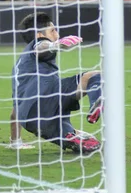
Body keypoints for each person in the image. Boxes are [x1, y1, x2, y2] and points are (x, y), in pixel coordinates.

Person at [9, 13, 102, 153]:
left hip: (31, 120)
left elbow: (16, 111)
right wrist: (54, 45)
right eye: (52, 30)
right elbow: (41, 46)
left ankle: (69, 136)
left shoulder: (21, 66)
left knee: (81, 138)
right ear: (39, 35)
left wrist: (15, 141)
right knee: (94, 77)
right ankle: (96, 103)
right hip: (47, 98)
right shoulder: (37, 44)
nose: (57, 34)